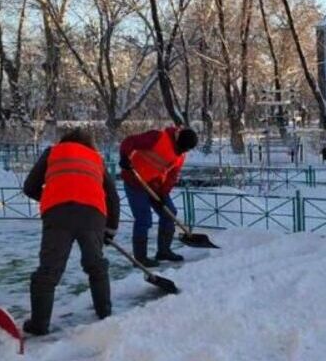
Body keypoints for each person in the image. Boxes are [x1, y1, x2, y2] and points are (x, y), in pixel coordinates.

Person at [21, 128, 120, 336]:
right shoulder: (96, 158)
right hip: (93, 214)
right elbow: (112, 196)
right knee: (96, 265)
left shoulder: (52, 153)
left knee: (49, 271)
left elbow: (29, 187)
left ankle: (39, 324)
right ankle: (104, 311)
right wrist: (110, 229)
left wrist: (53, 197)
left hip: (58, 215)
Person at [118, 125, 199, 267]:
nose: (182, 151)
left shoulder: (180, 156)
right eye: (182, 147)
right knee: (143, 219)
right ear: (178, 139)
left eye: (185, 149)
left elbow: (172, 176)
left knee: (169, 212)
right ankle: (140, 258)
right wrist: (124, 157)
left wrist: (163, 193)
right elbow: (129, 141)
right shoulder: (157, 137)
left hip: (154, 186)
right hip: (135, 181)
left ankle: (163, 251)